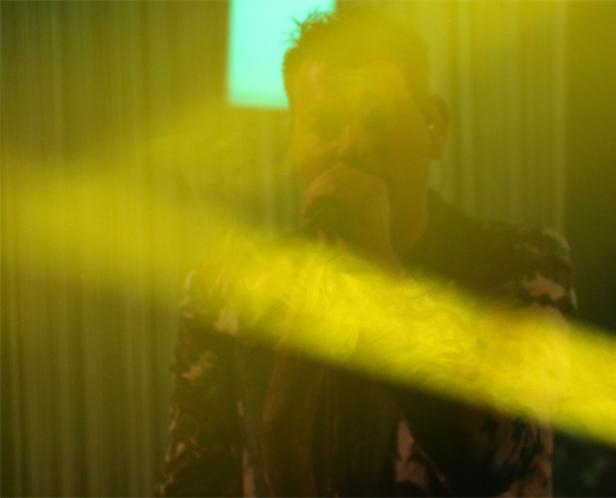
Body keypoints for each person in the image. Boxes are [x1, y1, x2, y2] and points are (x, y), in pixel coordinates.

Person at [156, 7, 575, 497]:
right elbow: (194, 482)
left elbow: (503, 453)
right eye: (325, 124)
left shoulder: (519, 262)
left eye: (377, 120)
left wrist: (379, 269)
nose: (351, 145)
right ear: (294, 139)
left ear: (434, 127)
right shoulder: (227, 289)